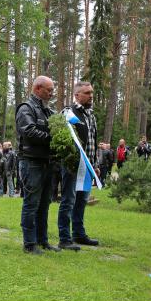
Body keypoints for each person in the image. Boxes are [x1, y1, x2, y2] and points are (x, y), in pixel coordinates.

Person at [16, 75, 59, 254]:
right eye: (49, 90)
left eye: (52, 90)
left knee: (44, 204)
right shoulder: (26, 109)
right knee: (31, 203)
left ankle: (43, 240)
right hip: (31, 162)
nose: (51, 93)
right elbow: (29, 132)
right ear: (37, 89)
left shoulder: (49, 112)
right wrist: (53, 139)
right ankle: (29, 243)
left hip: (47, 162)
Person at [58, 81, 100, 251]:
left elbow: (93, 142)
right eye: (87, 93)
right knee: (68, 200)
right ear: (77, 95)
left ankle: (79, 234)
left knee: (82, 200)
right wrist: (69, 163)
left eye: (92, 92)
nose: (91, 95)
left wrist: (95, 164)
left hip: (88, 166)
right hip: (72, 167)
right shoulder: (68, 113)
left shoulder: (91, 115)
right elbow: (62, 142)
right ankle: (64, 238)